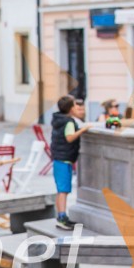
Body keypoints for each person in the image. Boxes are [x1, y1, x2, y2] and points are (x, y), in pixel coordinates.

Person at [50, 95, 90, 230]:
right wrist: (83, 130)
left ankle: (61, 216)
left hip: (59, 158)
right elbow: (69, 138)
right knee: (63, 190)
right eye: (74, 105)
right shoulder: (68, 122)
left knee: (61, 189)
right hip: (63, 159)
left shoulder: (58, 119)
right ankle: (61, 218)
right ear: (70, 108)